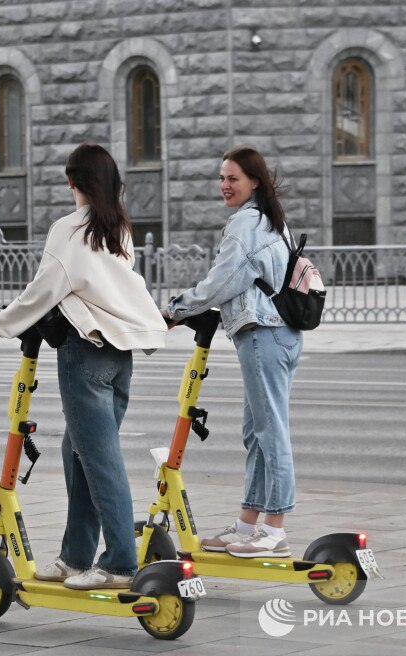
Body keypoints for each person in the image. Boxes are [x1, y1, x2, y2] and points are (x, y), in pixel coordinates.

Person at [0, 143, 167, 589]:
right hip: (120, 356)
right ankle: (76, 556)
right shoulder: (117, 227)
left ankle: (120, 563)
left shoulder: (69, 228)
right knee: (77, 454)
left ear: (72, 181)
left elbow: (41, 292)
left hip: (84, 355)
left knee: (100, 463)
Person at [162, 145, 300, 558]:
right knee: (257, 432)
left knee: (271, 431)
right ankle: (246, 524)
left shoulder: (246, 223)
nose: (224, 185)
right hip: (280, 334)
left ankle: (274, 530)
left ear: (253, 181)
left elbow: (223, 282)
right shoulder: (271, 220)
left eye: (232, 178)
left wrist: (175, 309)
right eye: (221, 178)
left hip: (264, 335)